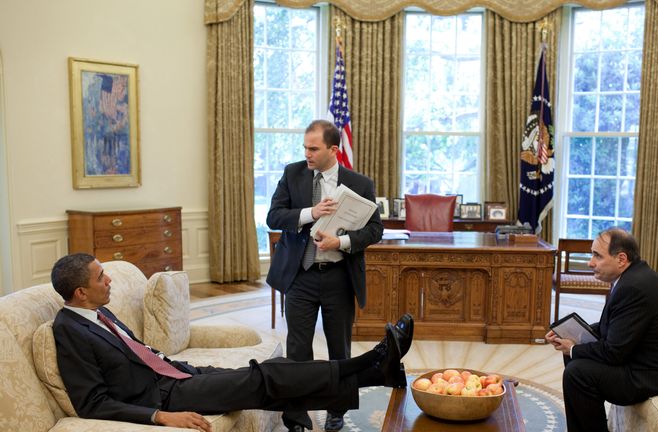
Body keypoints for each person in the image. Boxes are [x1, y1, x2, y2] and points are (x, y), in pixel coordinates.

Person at [51, 253, 412, 432]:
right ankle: (369, 363)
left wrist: (182, 369)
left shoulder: (98, 311)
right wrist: (160, 416)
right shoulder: (69, 330)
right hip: (164, 397)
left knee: (277, 371)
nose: (109, 279)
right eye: (101, 276)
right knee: (261, 380)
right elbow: (91, 403)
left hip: (179, 375)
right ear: (81, 292)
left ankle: (378, 375)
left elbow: (138, 354)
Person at [266, 120, 384, 431]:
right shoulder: (293, 174)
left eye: (313, 148)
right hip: (300, 277)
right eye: (305, 147)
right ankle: (297, 414)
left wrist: (342, 242)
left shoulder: (360, 183)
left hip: (339, 277)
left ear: (334, 150)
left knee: (339, 350)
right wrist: (311, 213)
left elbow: (375, 229)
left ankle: (337, 412)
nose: (307, 153)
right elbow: (274, 216)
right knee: (298, 350)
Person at [545, 228, 658, 432]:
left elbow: (614, 352)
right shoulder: (630, 277)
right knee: (577, 360)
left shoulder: (633, 287)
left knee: (578, 372)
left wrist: (573, 348)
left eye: (597, 256)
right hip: (649, 360)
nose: (590, 262)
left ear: (621, 259)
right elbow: (610, 328)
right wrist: (572, 335)